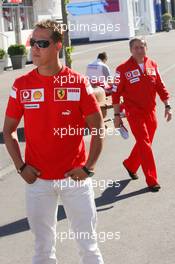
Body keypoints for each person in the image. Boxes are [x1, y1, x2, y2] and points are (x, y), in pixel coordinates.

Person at [3, 20, 104, 264]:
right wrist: (21, 167)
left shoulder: (78, 82)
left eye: (42, 43)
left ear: (58, 46)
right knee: (42, 250)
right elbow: (8, 131)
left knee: (88, 247)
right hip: (37, 181)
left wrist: (88, 167)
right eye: (32, 43)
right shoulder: (22, 85)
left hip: (75, 180)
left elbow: (98, 127)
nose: (34, 48)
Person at [112, 37, 172, 192]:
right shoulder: (122, 69)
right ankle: (152, 180)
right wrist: (117, 115)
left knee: (146, 143)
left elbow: (160, 86)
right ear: (131, 50)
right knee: (144, 143)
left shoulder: (153, 64)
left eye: (142, 47)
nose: (139, 50)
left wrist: (167, 105)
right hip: (134, 112)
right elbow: (116, 94)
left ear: (147, 48)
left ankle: (130, 164)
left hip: (150, 111)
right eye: (136, 47)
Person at [86, 52, 113, 118]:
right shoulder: (103, 66)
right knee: (117, 88)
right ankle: (120, 111)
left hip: (89, 88)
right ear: (105, 59)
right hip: (100, 89)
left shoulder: (89, 64)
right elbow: (110, 82)